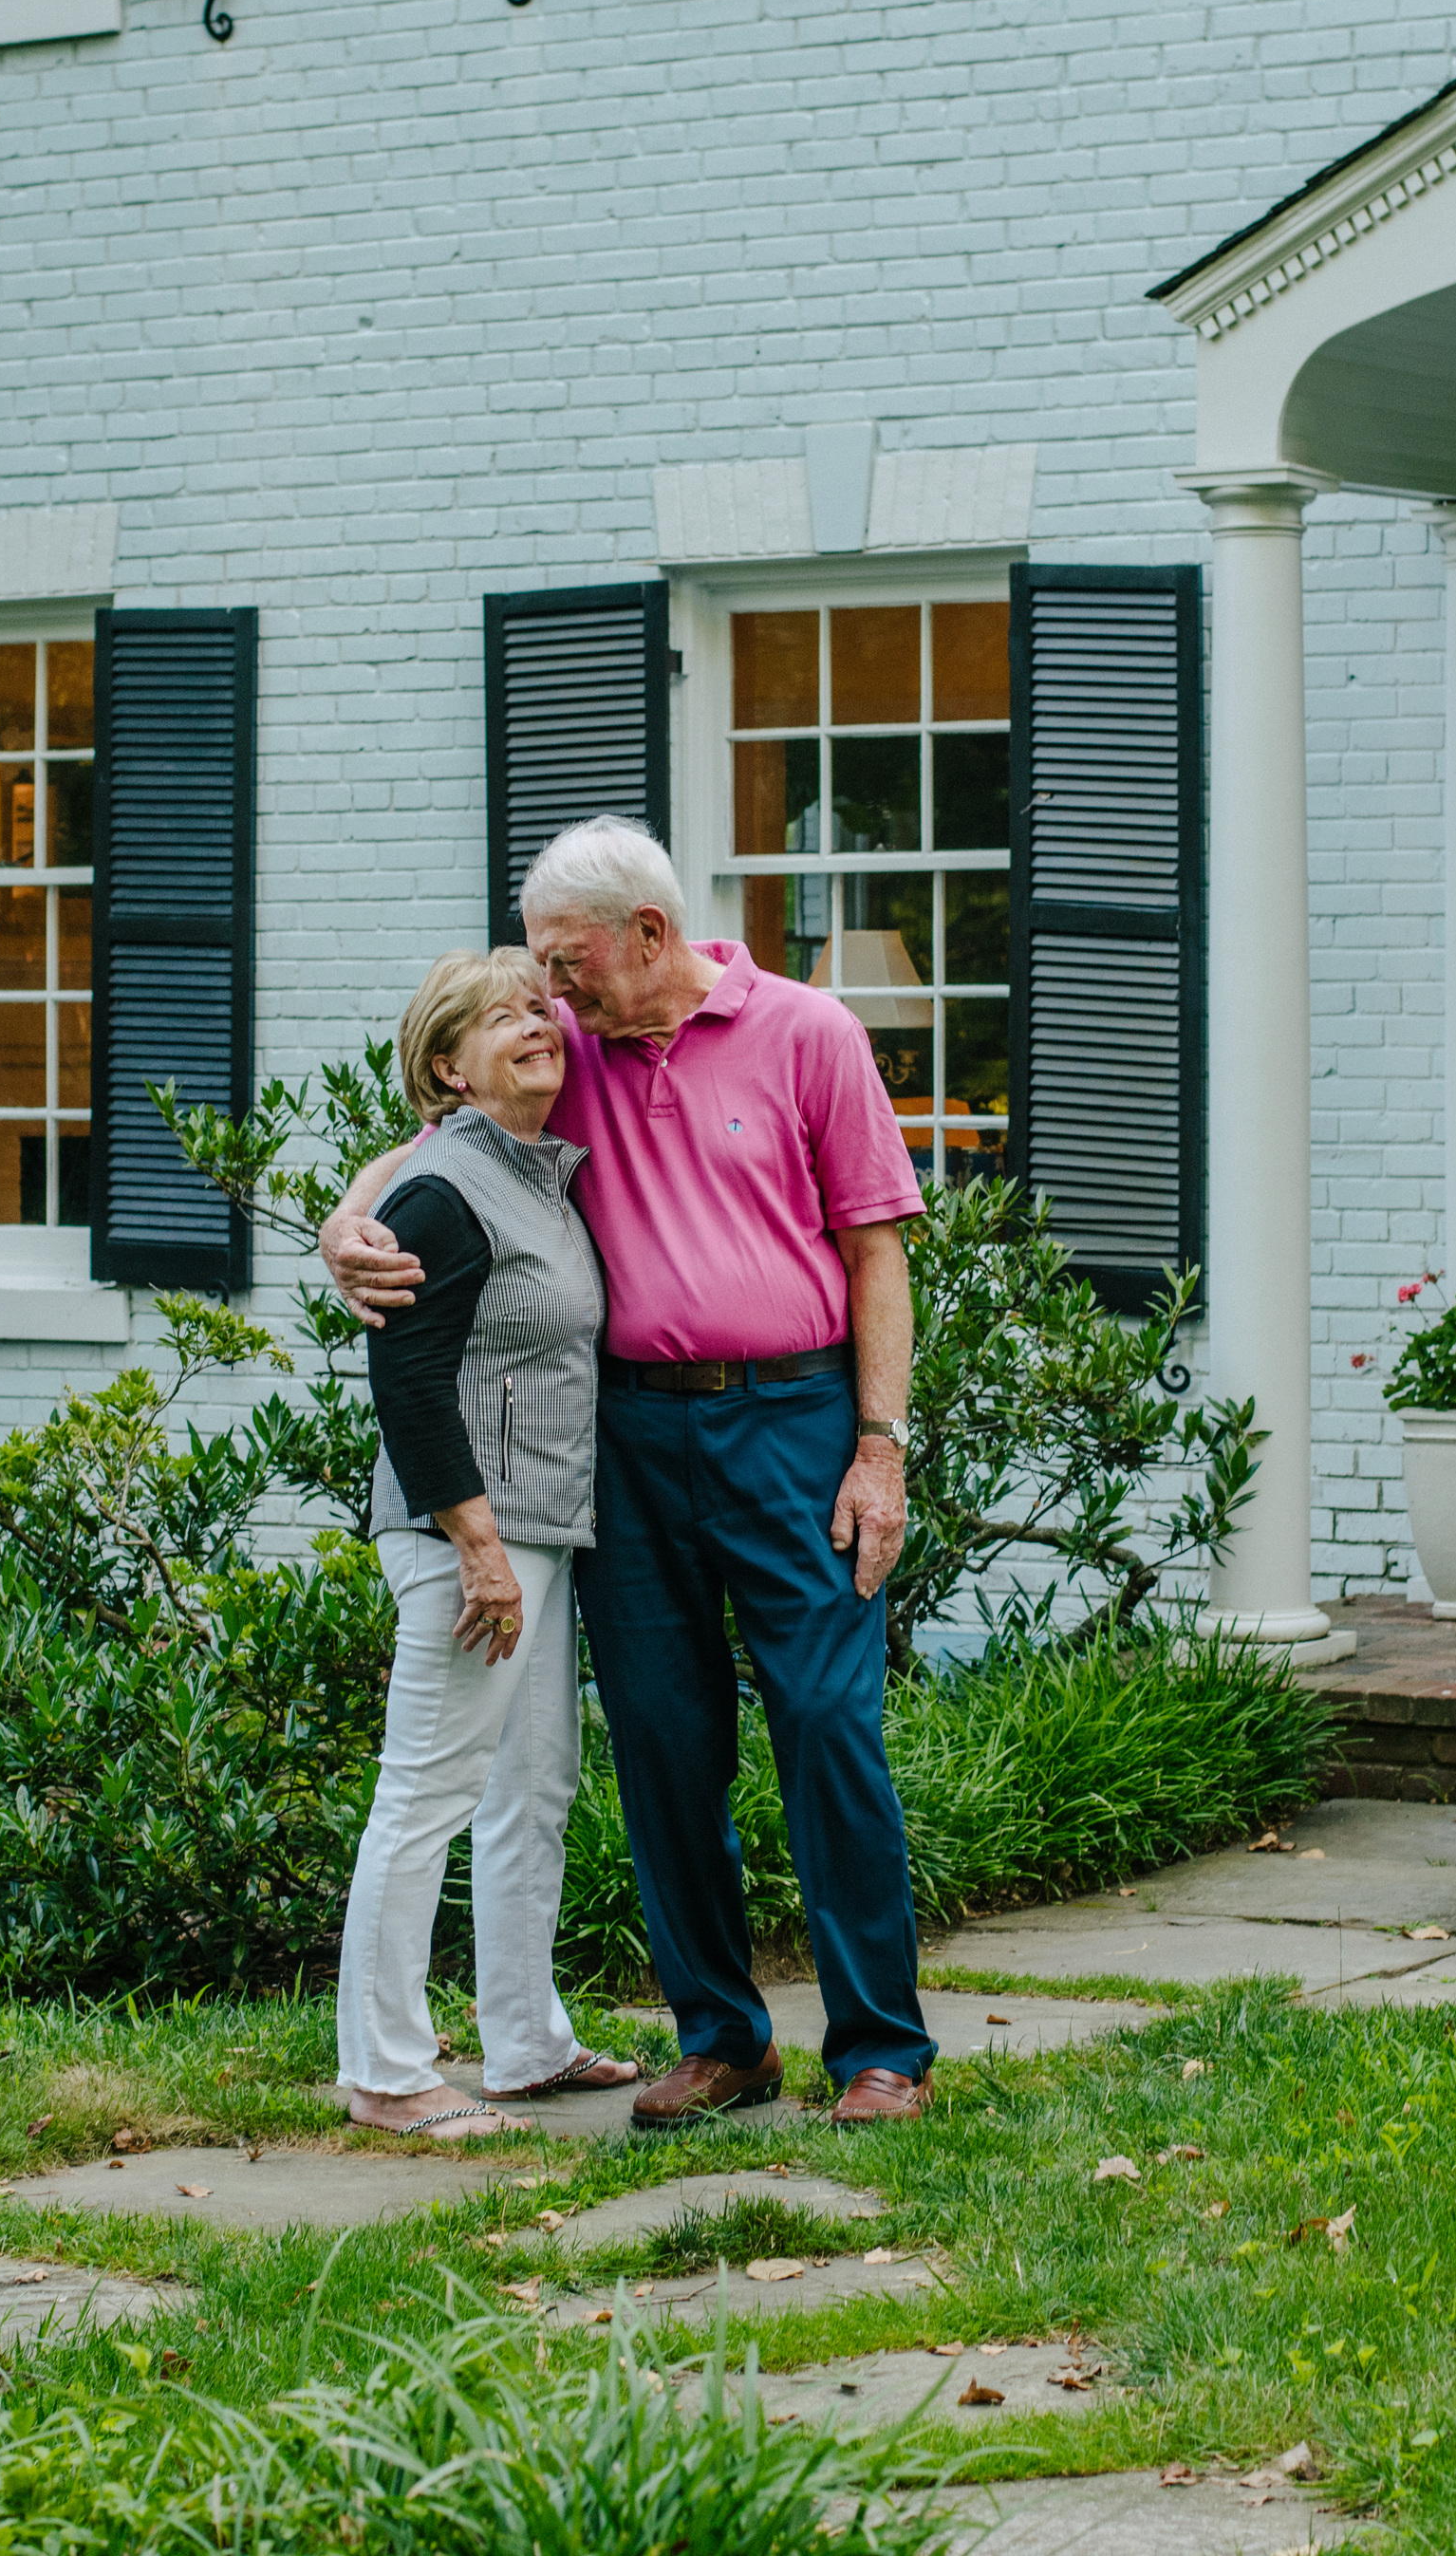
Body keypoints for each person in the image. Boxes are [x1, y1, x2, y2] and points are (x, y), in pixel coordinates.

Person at [325, 815, 937, 2127]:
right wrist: (347, 1218)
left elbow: (879, 1248)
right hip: (631, 1441)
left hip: (796, 1420)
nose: (547, 991)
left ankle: (882, 2047)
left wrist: (879, 1447)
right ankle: (722, 2038)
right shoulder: (575, 1055)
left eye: (563, 960)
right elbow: (450, 1135)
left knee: (828, 1727)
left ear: (645, 938)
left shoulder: (810, 1035)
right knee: (663, 1741)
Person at [333, 947, 641, 2140]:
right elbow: (405, 1385)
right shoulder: (444, 1187)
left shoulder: (529, 1173)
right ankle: (388, 2072)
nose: (534, 1024)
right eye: (498, 1017)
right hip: (469, 1533)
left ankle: (523, 2041)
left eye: (539, 1008)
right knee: (430, 1791)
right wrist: (474, 1543)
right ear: (445, 1069)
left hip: (538, 1527)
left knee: (531, 1786)